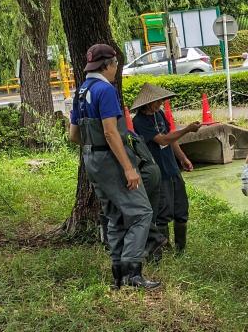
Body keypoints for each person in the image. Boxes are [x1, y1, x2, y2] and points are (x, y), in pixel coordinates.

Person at [68, 43, 159, 290]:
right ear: (107, 65)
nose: (116, 69)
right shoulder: (105, 90)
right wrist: (128, 167)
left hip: (91, 159)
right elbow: (110, 133)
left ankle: (118, 274)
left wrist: (93, 147)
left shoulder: (80, 91)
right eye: (116, 65)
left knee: (115, 215)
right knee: (141, 212)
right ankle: (132, 273)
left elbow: (73, 135)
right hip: (110, 160)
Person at [131, 84, 201, 254]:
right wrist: (187, 130)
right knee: (163, 211)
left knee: (181, 208)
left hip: (172, 168)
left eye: (161, 100)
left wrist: (182, 158)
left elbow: (171, 139)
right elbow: (162, 140)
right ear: (148, 103)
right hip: (158, 171)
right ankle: (163, 247)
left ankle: (180, 248)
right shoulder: (139, 121)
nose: (161, 103)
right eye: (157, 101)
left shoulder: (160, 114)